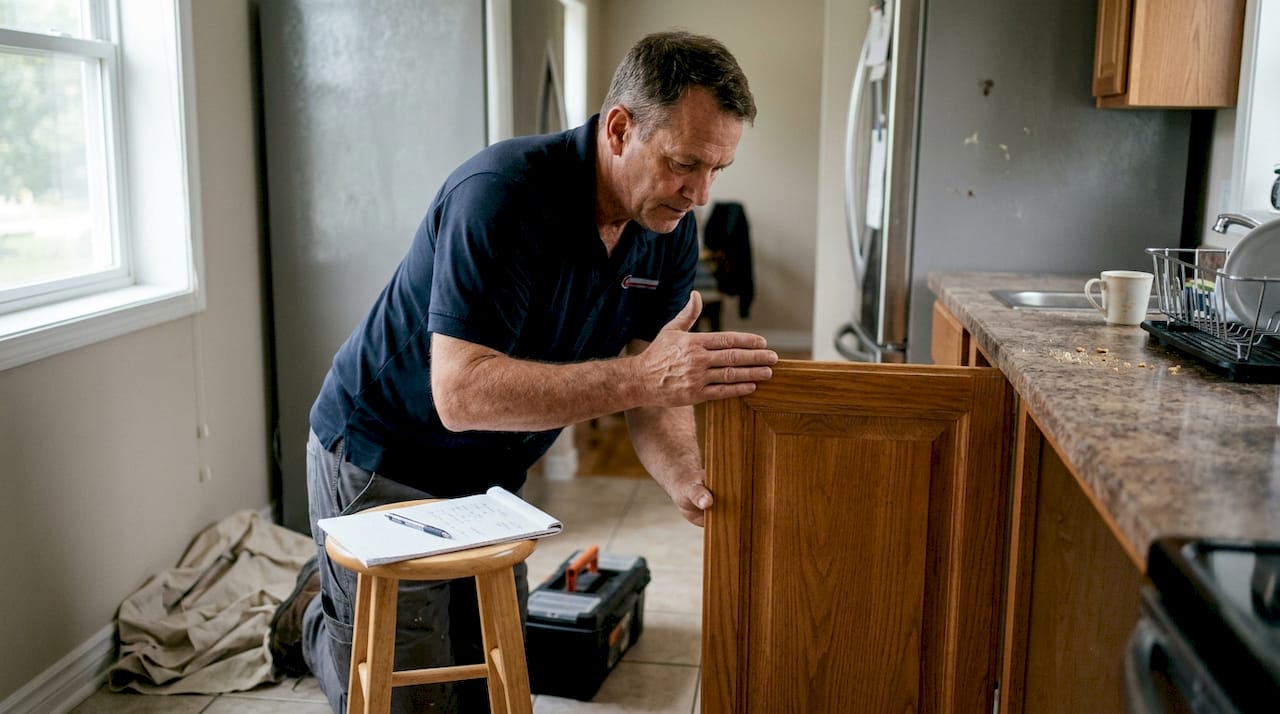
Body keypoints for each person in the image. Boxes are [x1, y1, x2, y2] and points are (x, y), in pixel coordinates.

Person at [268, 30, 778, 713]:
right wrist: (646, 380)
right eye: (687, 163)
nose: (701, 194)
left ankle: (330, 599)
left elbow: (654, 378)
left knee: (487, 688)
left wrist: (686, 477)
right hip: (382, 452)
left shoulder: (668, 228)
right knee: (409, 699)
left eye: (719, 169)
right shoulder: (503, 195)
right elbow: (461, 393)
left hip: (489, 474)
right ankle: (317, 619)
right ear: (620, 129)